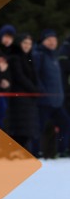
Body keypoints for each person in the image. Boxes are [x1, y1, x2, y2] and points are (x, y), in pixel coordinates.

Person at [33, 29, 70, 157]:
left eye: (54, 40)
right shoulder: (39, 54)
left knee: (65, 124)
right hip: (44, 100)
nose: (52, 42)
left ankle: (62, 150)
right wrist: (42, 91)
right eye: (49, 40)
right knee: (40, 127)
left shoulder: (55, 56)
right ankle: (35, 151)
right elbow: (35, 75)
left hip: (57, 101)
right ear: (43, 41)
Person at [7, 34, 39, 155]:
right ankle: (17, 149)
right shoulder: (15, 57)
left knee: (27, 126)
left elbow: (33, 76)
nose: (27, 46)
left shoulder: (29, 58)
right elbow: (19, 76)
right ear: (20, 43)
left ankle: (23, 149)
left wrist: (35, 89)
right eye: (25, 43)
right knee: (20, 126)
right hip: (19, 96)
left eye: (29, 44)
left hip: (28, 97)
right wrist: (34, 90)